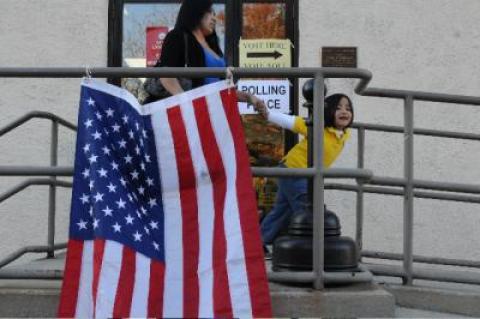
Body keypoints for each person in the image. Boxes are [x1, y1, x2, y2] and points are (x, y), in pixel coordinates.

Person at [254, 93, 354, 247]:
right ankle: (313, 248)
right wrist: (267, 113)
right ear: (327, 112)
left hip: (304, 175)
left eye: (348, 108)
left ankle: (257, 243)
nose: (344, 111)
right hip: (294, 171)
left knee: (282, 212)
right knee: (308, 208)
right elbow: (293, 122)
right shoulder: (318, 127)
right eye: (338, 108)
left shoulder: (344, 134)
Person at [149, 0, 263, 108]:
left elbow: (221, 88)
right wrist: (188, 105)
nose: (214, 18)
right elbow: (166, 76)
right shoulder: (177, 36)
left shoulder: (213, 47)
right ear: (195, 12)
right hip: (194, 113)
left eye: (215, 14)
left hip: (213, 111)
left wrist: (249, 97)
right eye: (209, 12)